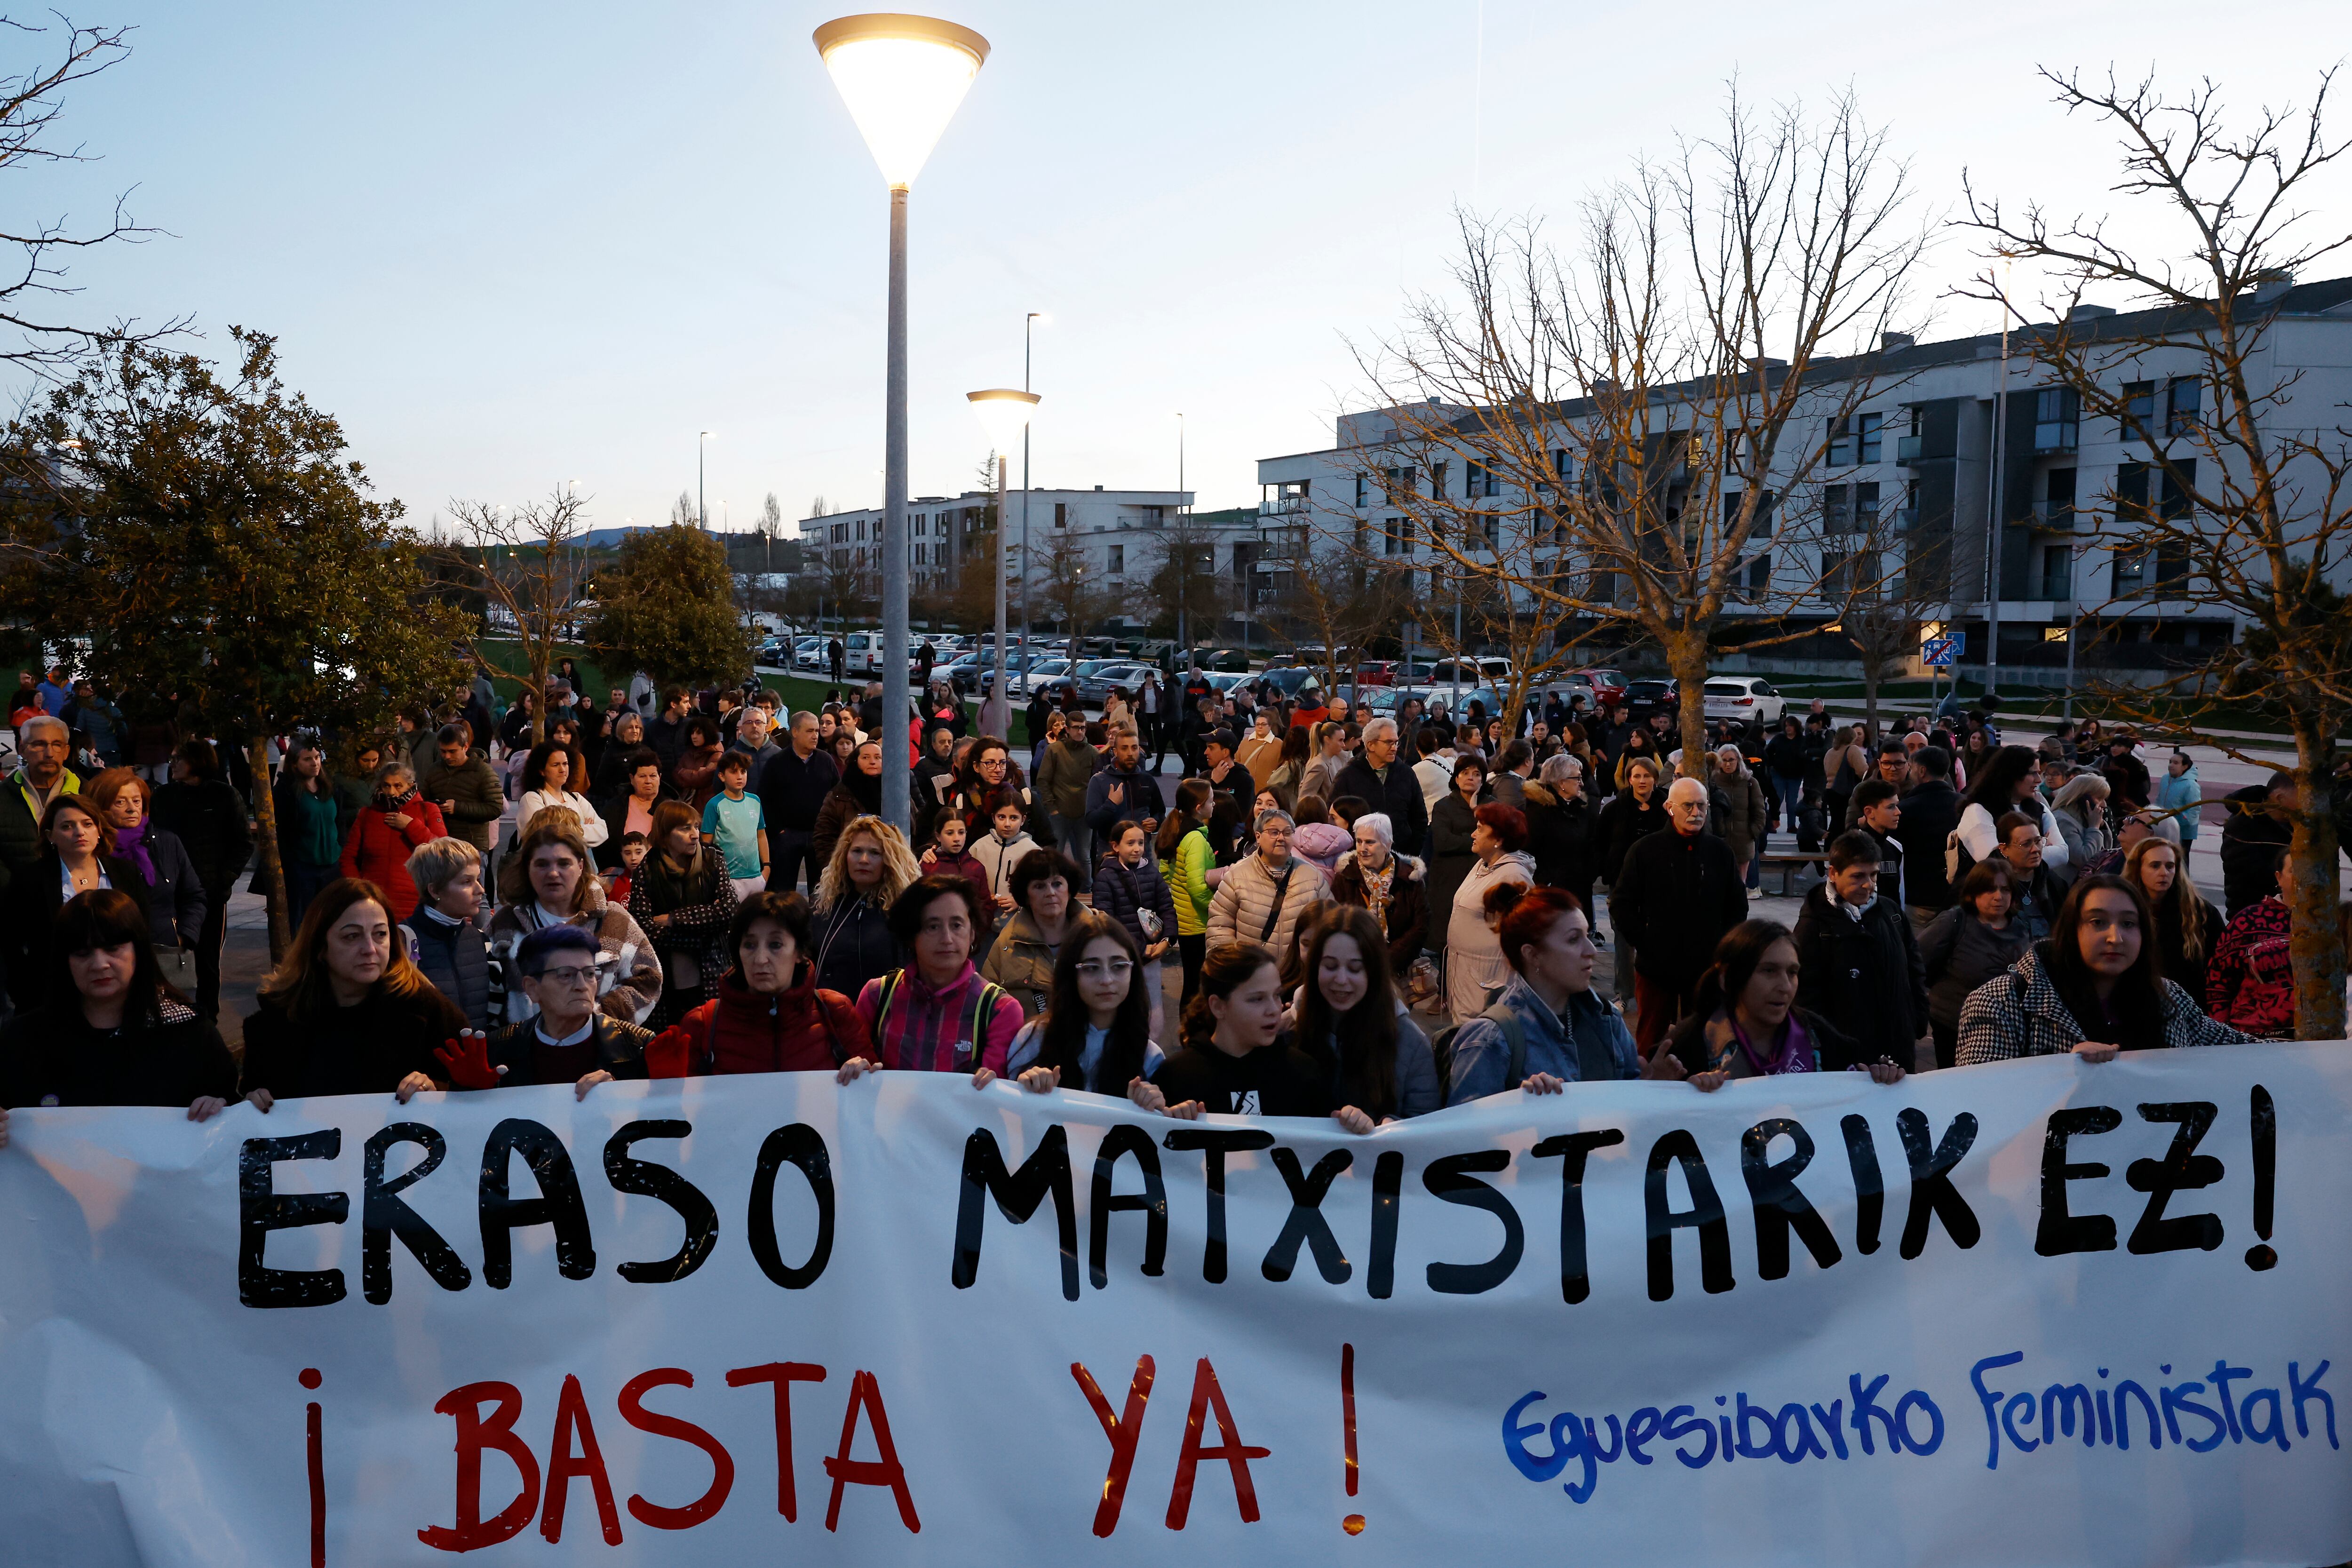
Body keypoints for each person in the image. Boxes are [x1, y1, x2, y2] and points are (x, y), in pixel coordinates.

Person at [0, 890, 236, 1133]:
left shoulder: (189, 1032)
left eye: (113, 949)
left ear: (139, 951)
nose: (100, 964)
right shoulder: (25, 1039)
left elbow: (235, 1119)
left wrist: (223, 1108)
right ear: (64, 961)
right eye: (82, 953)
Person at [1958, 875, 2255, 1063]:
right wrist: (2060, 1072)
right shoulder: (2000, 1002)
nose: (2116, 937)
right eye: (2097, 922)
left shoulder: (2170, 999)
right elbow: (1980, 1103)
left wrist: (2300, 1056)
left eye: (2129, 923)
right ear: (2071, 930)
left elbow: (2243, 1052)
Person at [238, 877, 469, 1107]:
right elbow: (250, 1100)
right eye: (352, 936)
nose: (370, 949)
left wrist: (436, 1089)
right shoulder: (277, 1020)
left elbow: (473, 1094)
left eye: (380, 934)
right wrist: (252, 1102)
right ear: (320, 947)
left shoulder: (426, 1009)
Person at [1444, 885, 1679, 1102]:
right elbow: (1465, 1138)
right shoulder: (1490, 1039)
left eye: (1588, 936)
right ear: (1533, 955)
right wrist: (1518, 1108)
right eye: (1574, 939)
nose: (1591, 951)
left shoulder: (1606, 1018)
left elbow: (1627, 1113)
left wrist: (1653, 1088)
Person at [640, 889, 873, 1076]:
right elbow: (684, 1120)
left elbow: (875, 1105)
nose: (761, 960)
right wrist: (667, 1085)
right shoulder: (702, 1024)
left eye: (776, 945)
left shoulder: (835, 1012)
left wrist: (865, 1074)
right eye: (749, 945)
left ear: (801, 952)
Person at [1666, 919, 1907, 1087]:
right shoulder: (1687, 1046)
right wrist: (1669, 1090)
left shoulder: (1819, 1036)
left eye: (1793, 972)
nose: (1785, 986)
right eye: (1769, 971)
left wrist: (1881, 1076)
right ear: (1727, 978)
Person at [435, 923, 652, 1098]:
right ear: (532, 988)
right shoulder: (497, 1052)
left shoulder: (639, 1047)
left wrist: (625, 1094)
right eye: (566, 975)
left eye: (589, 973)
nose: (582, 985)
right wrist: (431, 1095)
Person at [1613, 776, 1749, 1051]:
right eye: (1688, 806)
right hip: (1656, 965)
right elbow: (1622, 904)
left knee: (1703, 1038)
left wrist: (1722, 948)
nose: (1696, 813)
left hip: (1706, 966)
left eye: (1702, 806)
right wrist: (1646, 940)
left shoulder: (1720, 852)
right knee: (1651, 1038)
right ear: (1670, 807)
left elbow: (1737, 906)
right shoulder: (1646, 850)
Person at [840, 875, 1024, 1075]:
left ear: (972, 932)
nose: (947, 939)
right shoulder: (878, 995)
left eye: (957, 925)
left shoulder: (1000, 1010)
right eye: (933, 927)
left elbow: (992, 1097)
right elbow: (859, 1073)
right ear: (912, 936)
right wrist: (854, 1070)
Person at [487, 815, 660, 1027]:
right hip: (525, 1051)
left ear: (580, 866)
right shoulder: (506, 923)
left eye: (564, 863)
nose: (553, 873)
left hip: (599, 1050)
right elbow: (488, 996)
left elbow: (650, 979)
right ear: (527, 869)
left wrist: (597, 1018)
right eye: (542, 864)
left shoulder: (614, 920)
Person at [1129, 940, 1332, 1120]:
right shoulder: (1176, 1077)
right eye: (1257, 999)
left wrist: (1353, 1123)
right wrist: (1156, 1114)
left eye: (1277, 995)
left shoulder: (1304, 1073)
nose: (1274, 1009)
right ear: (1218, 1006)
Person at [1790, 830, 1929, 1069]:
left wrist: (1915, 1021)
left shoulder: (1891, 913)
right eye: (1858, 876)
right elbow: (1806, 1001)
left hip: (1898, 1051)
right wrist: (1835, 1051)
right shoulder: (1812, 928)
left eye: (1874, 875)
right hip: (1849, 1063)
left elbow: (1914, 971)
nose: (1869, 884)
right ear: (1833, 874)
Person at [1, 795, 148, 1013]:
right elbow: (10, 942)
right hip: (52, 996)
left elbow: (142, 932)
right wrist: (25, 994)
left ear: (99, 830)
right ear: (51, 836)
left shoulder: (127, 872)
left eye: (87, 824)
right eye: (67, 826)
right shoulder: (30, 879)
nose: (79, 832)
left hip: (120, 992)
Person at [1295, 903, 1440, 1122]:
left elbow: (1426, 1127)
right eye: (1330, 966)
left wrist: (1388, 1126)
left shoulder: (1411, 1042)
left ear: (1374, 972)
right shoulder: (1291, 1029)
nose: (1341, 980)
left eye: (1355, 969)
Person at [999, 907, 1165, 1093]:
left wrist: (1157, 1106)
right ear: (1071, 974)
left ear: (1133, 972)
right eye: (1091, 968)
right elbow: (1008, 1110)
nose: (1107, 980)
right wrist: (1024, 1087)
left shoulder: (1149, 1056)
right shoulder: (1035, 1040)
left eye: (1119, 966)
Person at [148, 738, 253, 1021]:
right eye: (171, 759)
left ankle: (208, 1018)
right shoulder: (164, 796)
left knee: (208, 960)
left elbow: (243, 843)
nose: (172, 765)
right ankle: (170, 1013)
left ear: (197, 761)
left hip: (210, 893)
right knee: (166, 957)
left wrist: (223, 881)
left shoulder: (224, 796)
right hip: (170, 892)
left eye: (178, 759)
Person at [630, 798, 739, 1029]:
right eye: (685, 828)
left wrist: (674, 919)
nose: (695, 835)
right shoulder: (647, 871)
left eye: (696, 827)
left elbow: (728, 910)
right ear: (665, 834)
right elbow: (643, 928)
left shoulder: (712, 861)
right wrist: (703, 931)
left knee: (712, 1030)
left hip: (713, 968)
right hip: (666, 974)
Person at [1918, 859, 2032, 1069]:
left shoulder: (2020, 929)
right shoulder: (1954, 921)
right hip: (1954, 1025)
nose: (1998, 896)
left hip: (2005, 1029)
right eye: (1990, 890)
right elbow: (1918, 961)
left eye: (2005, 890)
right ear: (1973, 892)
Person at [85, 767, 205, 965]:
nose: (132, 808)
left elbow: (194, 896)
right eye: (120, 802)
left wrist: (184, 936)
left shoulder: (167, 842)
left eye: (137, 801)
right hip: (108, 957)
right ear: (101, 807)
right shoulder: (92, 848)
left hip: (164, 952)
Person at [810, 812, 917, 1002]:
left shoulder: (905, 912)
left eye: (875, 853)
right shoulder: (823, 907)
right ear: (845, 855)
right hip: (832, 1016)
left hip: (884, 1018)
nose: (864, 860)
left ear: (890, 859)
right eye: (857, 851)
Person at [1206, 808, 1331, 964]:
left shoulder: (1312, 877)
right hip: (1252, 972)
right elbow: (1220, 926)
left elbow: (1330, 923)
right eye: (1274, 832)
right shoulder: (1237, 876)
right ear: (1258, 837)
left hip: (1297, 974)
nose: (1281, 838)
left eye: (1287, 833)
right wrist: (1234, 967)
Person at [1445, 803, 1534, 1021]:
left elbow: (1524, 936)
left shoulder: (1513, 876)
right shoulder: (1483, 865)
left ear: (1499, 840)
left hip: (1487, 980)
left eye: (1480, 829)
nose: (1474, 834)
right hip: (1464, 974)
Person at [1091, 818, 1178, 1043]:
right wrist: (1141, 948)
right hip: (1122, 958)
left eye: (1141, 842)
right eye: (1130, 843)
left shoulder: (1151, 872)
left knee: (1153, 1009)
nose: (1137, 848)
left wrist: (1167, 940)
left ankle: (1151, 1054)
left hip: (1152, 957)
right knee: (1123, 1009)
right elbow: (1108, 922)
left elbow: (1167, 907)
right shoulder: (1105, 877)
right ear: (1115, 846)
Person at [398, 836, 493, 1031]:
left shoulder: (478, 938)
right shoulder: (402, 941)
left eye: (478, 879)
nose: (481, 890)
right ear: (434, 891)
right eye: (467, 881)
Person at [335, 758, 446, 925]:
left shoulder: (428, 810)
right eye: (387, 785)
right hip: (373, 901)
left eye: (398, 786)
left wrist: (410, 826)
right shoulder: (367, 814)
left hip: (414, 903)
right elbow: (348, 858)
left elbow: (441, 850)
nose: (392, 792)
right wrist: (360, 889)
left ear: (410, 785)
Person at [983, 847, 1083, 1022]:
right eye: (1039, 886)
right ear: (1026, 896)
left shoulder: (1098, 935)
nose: (1051, 892)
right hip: (1027, 1043)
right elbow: (987, 1007)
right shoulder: (1006, 945)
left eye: (1057, 884)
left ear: (1070, 888)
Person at [2206, 847, 2295, 1039]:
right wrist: (2222, 1030)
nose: (2304, 878)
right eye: (2294, 871)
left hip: (2318, 1037)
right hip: (2254, 1033)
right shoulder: (2250, 919)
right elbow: (2219, 979)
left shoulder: (2332, 922)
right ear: (2279, 878)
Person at [1953, 745, 2069, 888]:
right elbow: (1994, 862)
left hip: (2031, 895)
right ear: (2012, 775)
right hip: (1984, 897)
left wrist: (2017, 852)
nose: (2039, 780)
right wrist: (2043, 845)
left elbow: (2063, 854)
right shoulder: (1977, 810)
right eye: (2032, 773)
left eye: (2039, 773)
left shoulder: (2039, 808)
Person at [1330, 809, 1429, 975]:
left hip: (1398, 970)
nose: (1362, 849)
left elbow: (1421, 925)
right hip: (1355, 968)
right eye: (1359, 841)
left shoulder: (1409, 877)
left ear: (1387, 845)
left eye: (1370, 842)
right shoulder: (1346, 877)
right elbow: (1335, 923)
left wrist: (1386, 962)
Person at [2127, 834, 2217, 1006]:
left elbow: (2220, 963)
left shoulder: (2200, 912)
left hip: (2190, 1005)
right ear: (2138, 869)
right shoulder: (2126, 909)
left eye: (2170, 866)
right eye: (2155, 866)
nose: (2164, 873)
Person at [271, 741, 342, 925]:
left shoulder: (329, 787)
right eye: (308, 759)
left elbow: (339, 822)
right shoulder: (286, 791)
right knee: (303, 921)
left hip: (331, 864)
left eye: (317, 757)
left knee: (330, 919)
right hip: (302, 867)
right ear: (294, 763)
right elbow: (283, 830)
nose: (315, 763)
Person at [1334, 717, 1427, 858]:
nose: (1395, 748)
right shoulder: (1348, 775)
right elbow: (1335, 820)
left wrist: (1410, 855)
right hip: (1359, 860)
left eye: (1396, 742)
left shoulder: (1406, 774)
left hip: (1400, 859)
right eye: (1389, 743)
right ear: (1371, 745)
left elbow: (1419, 818)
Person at [1159, 779, 1216, 1004]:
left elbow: (1165, 870)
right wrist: (1217, 907)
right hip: (1196, 923)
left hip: (1183, 919)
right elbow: (1197, 887)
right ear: (1199, 807)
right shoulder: (1195, 839)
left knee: (1192, 981)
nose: (1215, 805)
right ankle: (1192, 1032)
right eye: (1211, 801)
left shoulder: (1176, 828)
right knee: (1196, 985)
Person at [1892, 744, 1962, 926]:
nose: (1910, 771)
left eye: (1911, 766)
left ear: (1922, 771)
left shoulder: (1905, 809)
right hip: (1956, 895)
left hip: (1919, 898)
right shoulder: (1964, 806)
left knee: (1919, 950)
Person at [1036, 712, 1102, 891]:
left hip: (1084, 813)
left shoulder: (1092, 752)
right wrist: (1052, 807)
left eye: (1083, 728)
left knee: (1084, 855)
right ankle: (1054, 888)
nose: (1080, 732)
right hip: (1059, 811)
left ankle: (1087, 889)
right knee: (1055, 854)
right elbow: (1043, 780)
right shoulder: (1055, 750)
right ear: (1068, 729)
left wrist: (1092, 807)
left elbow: (1097, 782)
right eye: (1076, 728)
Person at [420, 724, 504, 862]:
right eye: (443, 751)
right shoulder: (434, 770)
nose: (447, 756)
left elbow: (495, 808)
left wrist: (458, 808)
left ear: (465, 747)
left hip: (471, 846)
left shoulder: (483, 772)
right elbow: (424, 800)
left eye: (452, 751)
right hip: (441, 844)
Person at [2218, 771, 2295, 919]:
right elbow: (2247, 872)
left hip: (2288, 912)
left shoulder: (2296, 825)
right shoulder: (2243, 824)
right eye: (2302, 798)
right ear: (2280, 798)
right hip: (2253, 917)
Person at [700, 750, 769, 902]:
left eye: (743, 771)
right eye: (734, 772)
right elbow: (706, 845)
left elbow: (761, 835)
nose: (740, 776)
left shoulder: (755, 801)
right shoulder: (714, 804)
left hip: (756, 876)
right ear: (722, 776)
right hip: (729, 878)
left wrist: (767, 867)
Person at [1425, 754, 1486, 922]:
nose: (1470, 778)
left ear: (1483, 780)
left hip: (1482, 875)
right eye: (1465, 773)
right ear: (1457, 778)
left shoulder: (1492, 806)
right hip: (1449, 875)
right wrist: (1478, 841)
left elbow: (1498, 839)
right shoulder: (1443, 806)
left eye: (1476, 774)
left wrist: (1477, 810)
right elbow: (1443, 842)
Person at [1992, 809, 2066, 943]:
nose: (2036, 850)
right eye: (2026, 844)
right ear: (2004, 849)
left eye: (2038, 841)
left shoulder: (2055, 884)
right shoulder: (1990, 886)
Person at [518, 740, 605, 852]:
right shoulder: (532, 799)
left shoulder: (576, 798)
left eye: (565, 764)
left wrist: (565, 830)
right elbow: (544, 838)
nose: (562, 770)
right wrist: (584, 828)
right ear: (542, 771)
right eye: (556, 765)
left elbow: (603, 831)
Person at [812, 738, 884, 873]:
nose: (873, 762)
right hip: (850, 869)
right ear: (856, 761)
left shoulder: (897, 790)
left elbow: (915, 823)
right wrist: (835, 868)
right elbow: (824, 836)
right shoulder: (840, 794)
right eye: (866, 757)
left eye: (878, 757)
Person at [969, 787, 1040, 923]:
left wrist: (1020, 902)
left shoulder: (1033, 852)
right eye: (1002, 817)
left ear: (1023, 820)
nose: (1007, 824)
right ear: (993, 818)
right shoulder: (979, 847)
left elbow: (1041, 889)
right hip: (983, 923)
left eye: (1014, 818)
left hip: (1017, 924)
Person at [1710, 743, 1769, 890]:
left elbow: (1760, 810)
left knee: (1740, 885)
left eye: (1732, 760)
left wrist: (1753, 831)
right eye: (1724, 760)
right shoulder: (1712, 782)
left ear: (1739, 760)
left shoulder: (1749, 782)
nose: (1728, 764)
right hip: (1719, 840)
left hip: (1743, 839)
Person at [1849, 778, 1906, 904]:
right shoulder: (1851, 848)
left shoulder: (1895, 847)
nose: (1898, 812)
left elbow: (1900, 894)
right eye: (1891, 807)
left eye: (1897, 805)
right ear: (1869, 812)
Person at [2049, 772, 2112, 881]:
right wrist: (2094, 828)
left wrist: (2102, 827)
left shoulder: (2086, 819)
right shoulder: (2062, 820)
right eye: (2100, 798)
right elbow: (2083, 859)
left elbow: (2106, 853)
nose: (2104, 805)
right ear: (2082, 797)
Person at [2156, 749, 2204, 854]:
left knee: (2180, 860)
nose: (2171, 765)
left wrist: (2178, 822)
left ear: (2185, 767)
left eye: (2176, 763)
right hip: (2164, 827)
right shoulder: (2165, 779)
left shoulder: (2191, 785)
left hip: (2183, 831)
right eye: (2170, 762)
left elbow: (2194, 810)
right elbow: (2159, 799)